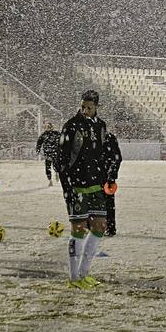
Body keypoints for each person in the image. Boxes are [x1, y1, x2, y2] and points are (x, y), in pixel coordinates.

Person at [59, 90, 111, 288]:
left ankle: (84, 273)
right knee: (78, 229)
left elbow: (102, 155)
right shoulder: (71, 126)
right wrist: (68, 188)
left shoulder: (101, 126)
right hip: (77, 186)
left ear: (97, 107)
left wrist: (107, 177)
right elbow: (62, 160)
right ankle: (73, 278)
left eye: (89, 107)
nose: (85, 110)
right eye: (83, 107)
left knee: (99, 227)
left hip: (96, 185)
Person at [102, 129, 122, 237]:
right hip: (93, 177)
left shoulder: (109, 138)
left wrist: (112, 175)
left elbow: (117, 158)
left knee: (108, 204)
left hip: (106, 177)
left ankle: (110, 228)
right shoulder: (90, 138)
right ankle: (97, 227)